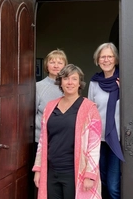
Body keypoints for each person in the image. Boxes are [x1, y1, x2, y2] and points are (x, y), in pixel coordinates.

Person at [33, 64, 102, 199]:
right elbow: (42, 141)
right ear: (60, 82)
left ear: (80, 83)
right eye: (65, 78)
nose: (70, 82)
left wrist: (90, 174)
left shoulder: (90, 109)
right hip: (51, 171)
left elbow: (94, 146)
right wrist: (38, 169)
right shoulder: (50, 107)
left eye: (74, 79)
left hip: (75, 172)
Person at [88, 43, 124, 199]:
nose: (106, 60)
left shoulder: (124, 80)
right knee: (101, 181)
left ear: (116, 59)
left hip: (116, 139)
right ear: (98, 59)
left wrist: (125, 91)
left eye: (110, 56)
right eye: (103, 56)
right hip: (98, 140)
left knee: (113, 186)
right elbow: (90, 111)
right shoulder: (94, 83)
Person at [35, 49, 68, 150]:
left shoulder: (70, 85)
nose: (56, 66)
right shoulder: (38, 86)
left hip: (64, 139)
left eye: (60, 63)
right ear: (46, 65)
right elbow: (31, 114)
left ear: (65, 66)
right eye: (52, 62)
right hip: (42, 139)